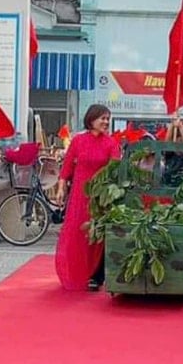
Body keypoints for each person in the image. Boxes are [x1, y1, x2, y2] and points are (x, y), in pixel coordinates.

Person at [53, 105, 121, 291]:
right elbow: (67, 167)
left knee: (97, 234)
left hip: (100, 196)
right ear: (91, 120)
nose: (106, 122)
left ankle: (96, 276)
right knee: (77, 233)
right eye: (103, 118)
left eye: (108, 119)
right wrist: (61, 188)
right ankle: (77, 271)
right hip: (79, 195)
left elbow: (115, 171)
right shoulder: (78, 141)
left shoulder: (111, 143)